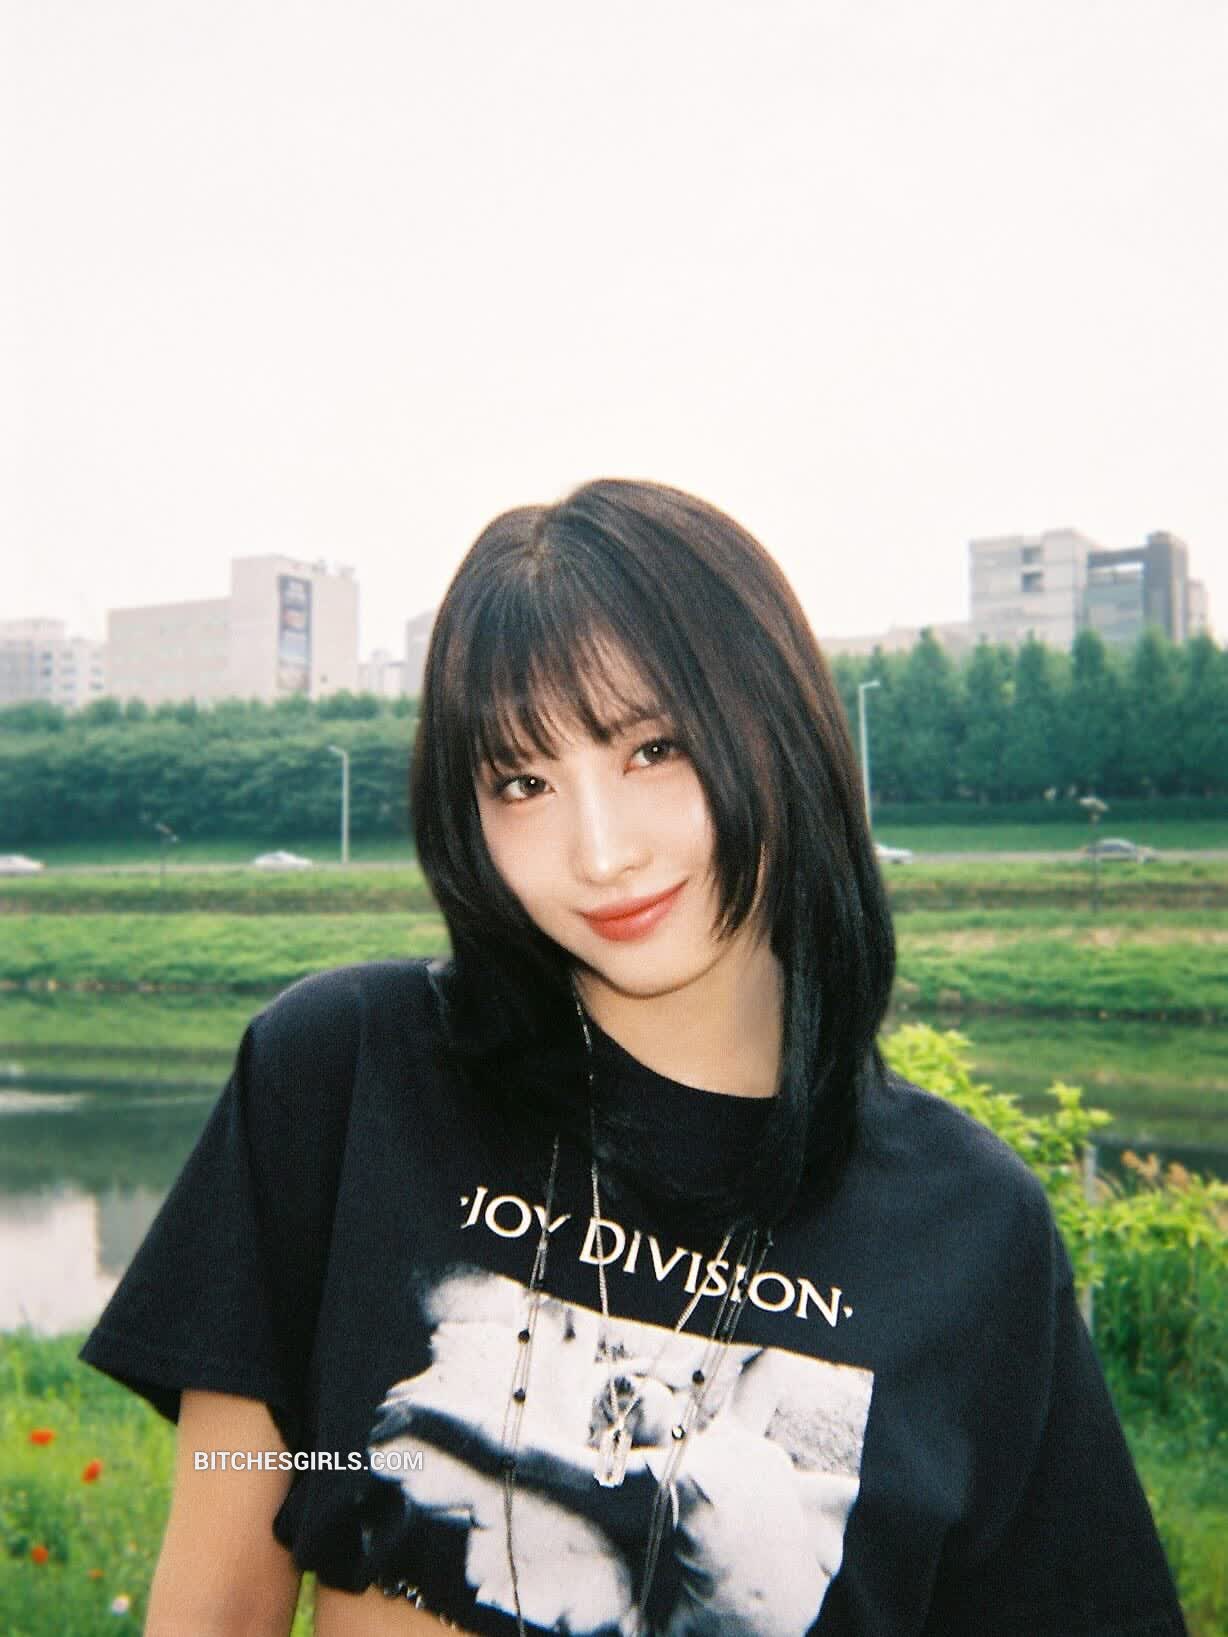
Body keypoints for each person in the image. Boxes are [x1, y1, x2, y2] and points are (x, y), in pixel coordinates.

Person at [81, 479, 1186, 1636]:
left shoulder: (970, 1226)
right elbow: (214, 1599)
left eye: (654, 748)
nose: (599, 851)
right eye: (522, 781)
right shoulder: (345, 1076)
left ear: (779, 729)